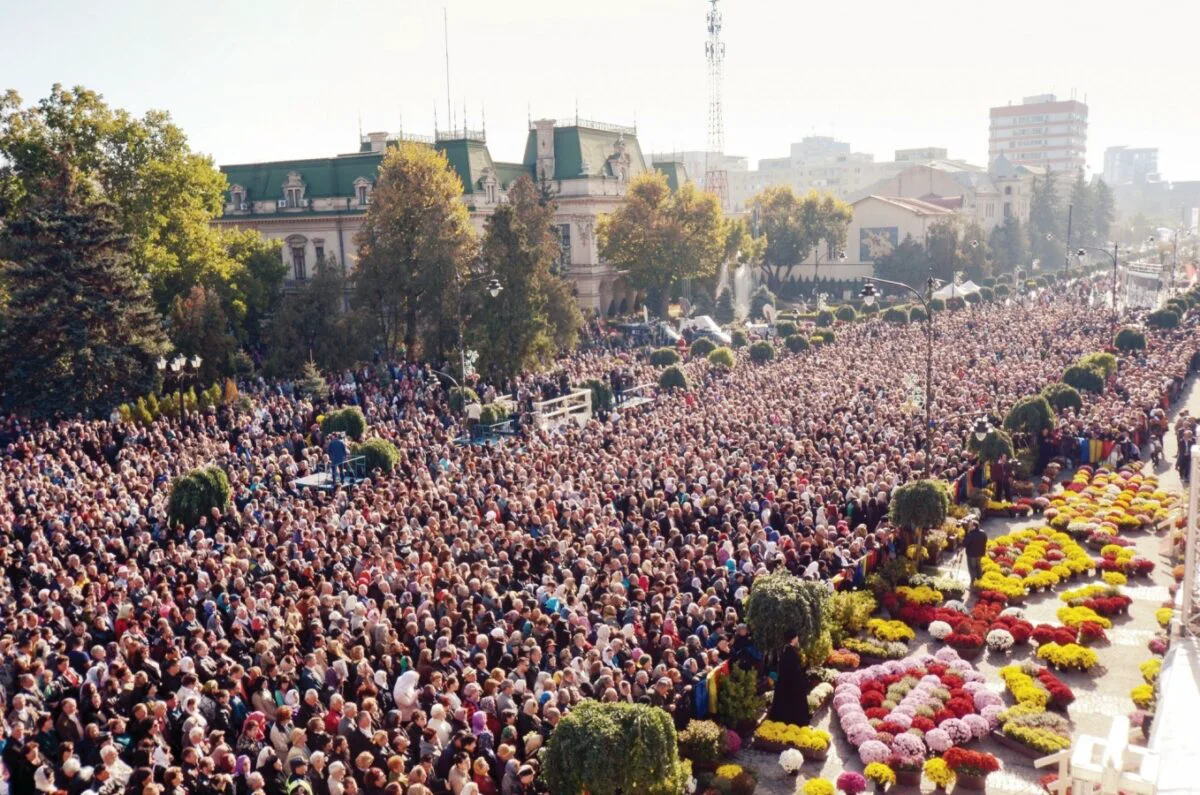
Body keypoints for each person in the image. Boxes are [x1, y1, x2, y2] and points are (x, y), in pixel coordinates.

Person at [766, 633, 810, 727]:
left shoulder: (785, 649)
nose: (798, 638)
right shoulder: (790, 651)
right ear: (793, 638)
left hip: (783, 682)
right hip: (791, 683)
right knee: (793, 703)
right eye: (797, 637)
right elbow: (793, 669)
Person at [965, 521, 988, 586]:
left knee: (972, 567)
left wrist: (967, 533)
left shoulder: (970, 535)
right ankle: (979, 579)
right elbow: (985, 540)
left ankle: (973, 582)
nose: (969, 527)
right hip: (980, 553)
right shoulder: (983, 533)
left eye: (970, 526)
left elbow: (965, 543)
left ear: (974, 527)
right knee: (978, 566)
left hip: (971, 555)